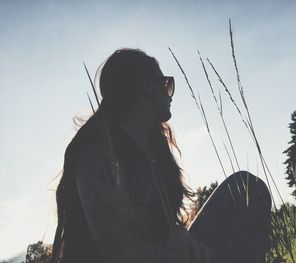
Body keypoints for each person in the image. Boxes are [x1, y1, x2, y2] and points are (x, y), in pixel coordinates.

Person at [51, 48, 219, 263]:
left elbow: (160, 228)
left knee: (247, 189)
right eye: (165, 83)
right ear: (145, 85)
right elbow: (119, 253)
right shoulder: (96, 153)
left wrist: (179, 238)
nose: (170, 92)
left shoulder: (153, 150)